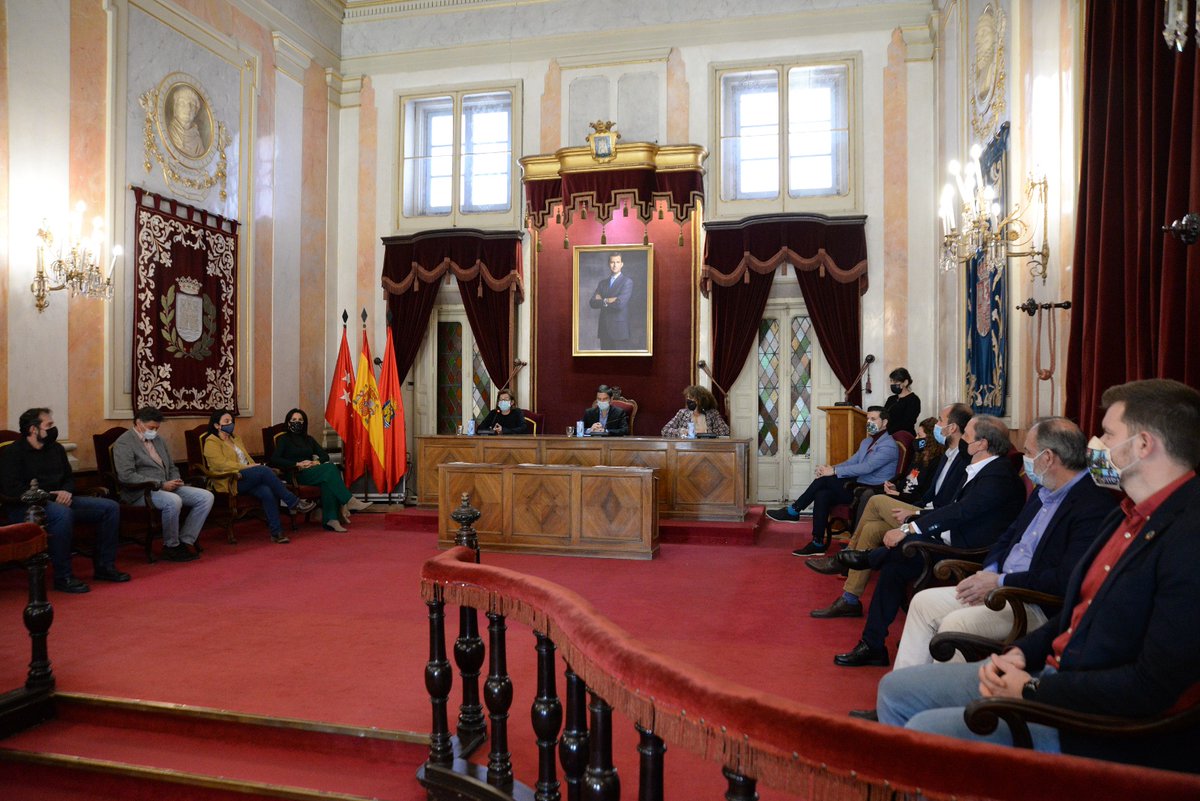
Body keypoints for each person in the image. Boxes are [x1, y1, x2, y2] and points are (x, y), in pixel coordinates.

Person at [876, 379, 1200, 773]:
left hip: (1095, 724)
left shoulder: (1187, 536)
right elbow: (1078, 609)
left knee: (926, 729)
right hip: (1051, 672)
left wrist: (1032, 689)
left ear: (1143, 445)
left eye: (1109, 434)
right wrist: (1020, 653)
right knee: (896, 690)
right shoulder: (1128, 512)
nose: (1095, 444)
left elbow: (1151, 687)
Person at [889, 417, 1117, 671]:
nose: (1025, 459)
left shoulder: (1093, 505)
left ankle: (942, 701)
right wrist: (989, 571)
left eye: (1029, 452)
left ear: (1048, 458)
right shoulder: (1044, 490)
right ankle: (906, 688)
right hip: (999, 586)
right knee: (922, 603)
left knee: (955, 624)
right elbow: (1008, 537)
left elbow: (1066, 579)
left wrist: (1000, 583)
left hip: (1033, 603)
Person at [832, 414, 1025, 667]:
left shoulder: (997, 475)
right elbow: (953, 508)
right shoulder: (983, 469)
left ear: (982, 444)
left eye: (967, 435)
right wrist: (916, 520)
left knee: (902, 549)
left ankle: (868, 559)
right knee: (895, 565)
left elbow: (961, 511)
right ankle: (873, 644)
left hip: (967, 550)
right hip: (952, 537)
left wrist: (911, 527)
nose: (964, 439)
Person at [806, 416, 947, 618]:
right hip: (907, 502)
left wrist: (903, 497)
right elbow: (905, 479)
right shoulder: (918, 455)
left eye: (920, 435)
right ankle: (850, 600)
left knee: (874, 500)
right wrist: (894, 487)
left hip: (919, 513)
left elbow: (927, 496)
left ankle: (843, 558)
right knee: (871, 528)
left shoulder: (938, 460)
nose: (916, 438)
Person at [0, 408, 129, 593]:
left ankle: (104, 567)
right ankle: (64, 576)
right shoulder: (12, 452)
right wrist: (52, 495)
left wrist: (66, 492)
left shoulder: (56, 449)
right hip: (26, 508)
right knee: (62, 514)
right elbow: (12, 489)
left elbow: (68, 478)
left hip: (63, 501)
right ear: (33, 429)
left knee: (110, 507)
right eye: (49, 425)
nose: (53, 428)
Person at [766, 406, 898, 556]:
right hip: (857, 485)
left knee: (825, 480)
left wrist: (833, 472)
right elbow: (851, 462)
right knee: (822, 494)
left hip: (871, 491)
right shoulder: (866, 442)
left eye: (873, 419)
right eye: (868, 419)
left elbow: (867, 467)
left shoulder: (889, 445)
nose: (869, 422)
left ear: (885, 422)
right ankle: (817, 542)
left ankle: (794, 510)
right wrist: (829, 468)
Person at [113, 406, 215, 562]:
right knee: (173, 501)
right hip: (142, 492)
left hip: (168, 486)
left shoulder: (159, 440)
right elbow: (127, 476)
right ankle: (171, 546)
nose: (154, 431)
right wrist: (160, 484)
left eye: (157, 428)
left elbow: (172, 466)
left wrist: (176, 480)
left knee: (206, 497)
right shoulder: (124, 443)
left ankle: (185, 540)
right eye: (151, 427)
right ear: (138, 422)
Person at [202, 409, 315, 543]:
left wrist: (253, 465)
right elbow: (220, 465)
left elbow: (247, 458)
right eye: (226, 421)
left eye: (232, 421)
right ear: (216, 425)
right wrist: (248, 467)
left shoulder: (235, 438)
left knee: (266, 491)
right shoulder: (211, 441)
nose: (230, 424)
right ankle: (293, 502)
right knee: (263, 471)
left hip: (246, 477)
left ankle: (276, 533)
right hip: (230, 480)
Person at [268, 408, 371, 532]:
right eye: (294, 420)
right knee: (330, 469)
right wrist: (297, 464)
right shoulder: (284, 439)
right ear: (288, 422)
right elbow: (274, 459)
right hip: (296, 473)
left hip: (312, 471)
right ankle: (349, 500)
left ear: (304, 422)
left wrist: (314, 462)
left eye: (300, 420)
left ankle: (331, 520)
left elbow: (324, 456)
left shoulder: (308, 439)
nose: (297, 422)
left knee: (327, 480)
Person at [589, 253, 635, 350]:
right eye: (612, 262)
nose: (614, 265)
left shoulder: (627, 282)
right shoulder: (602, 283)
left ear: (622, 264)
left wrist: (601, 300)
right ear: (608, 264)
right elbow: (592, 302)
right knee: (604, 363)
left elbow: (619, 304)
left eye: (617, 262)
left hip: (619, 331)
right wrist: (608, 300)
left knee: (619, 364)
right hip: (604, 329)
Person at [661, 386, 730, 438]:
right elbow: (665, 430)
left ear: (701, 400)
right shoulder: (682, 413)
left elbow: (725, 431)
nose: (688, 400)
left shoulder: (712, 413)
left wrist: (705, 433)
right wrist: (680, 431)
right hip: (686, 448)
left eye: (691, 397)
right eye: (687, 397)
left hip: (707, 447)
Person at [168, 85, 206, 158]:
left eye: (192, 105)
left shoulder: (198, 141)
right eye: (182, 103)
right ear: (175, 108)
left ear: (195, 112)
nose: (188, 109)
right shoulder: (170, 132)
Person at [883, 367, 920, 436]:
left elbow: (908, 422)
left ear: (905, 382)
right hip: (888, 435)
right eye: (891, 381)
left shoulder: (913, 400)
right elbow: (884, 416)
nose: (892, 384)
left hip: (904, 436)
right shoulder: (891, 399)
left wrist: (889, 431)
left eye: (895, 382)